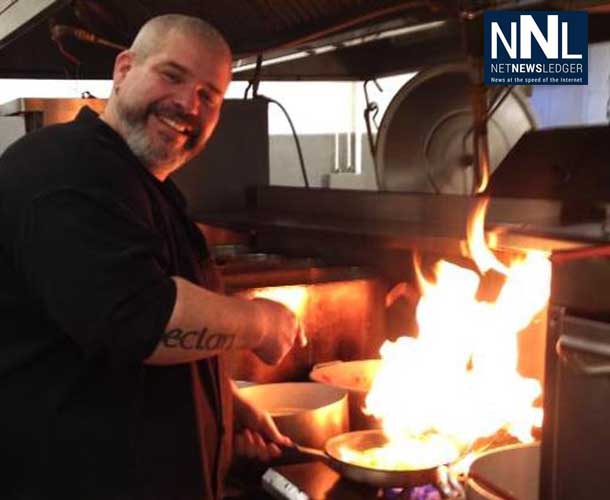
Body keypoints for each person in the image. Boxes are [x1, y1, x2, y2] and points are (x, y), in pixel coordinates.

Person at [0, 14, 304, 500]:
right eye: (172, 75)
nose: (188, 104)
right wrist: (262, 323)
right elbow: (139, 318)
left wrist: (225, 405)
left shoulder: (142, 186)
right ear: (123, 70)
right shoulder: (65, 170)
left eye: (210, 95)